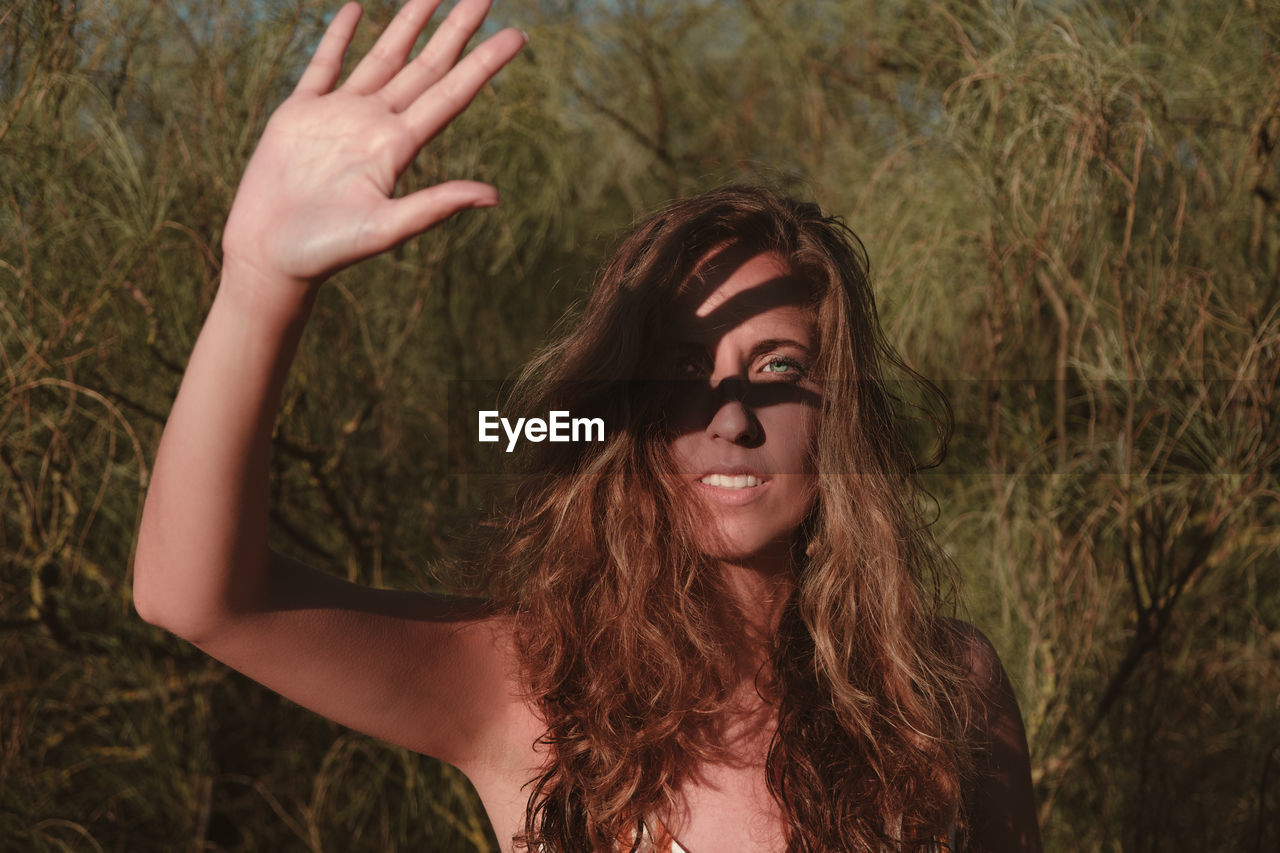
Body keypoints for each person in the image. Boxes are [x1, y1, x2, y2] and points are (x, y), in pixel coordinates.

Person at [132, 1, 1042, 850]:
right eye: (684, 370)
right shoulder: (527, 688)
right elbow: (196, 596)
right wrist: (260, 285)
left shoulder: (945, 685)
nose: (730, 414)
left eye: (779, 369)